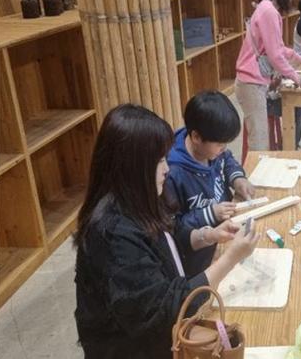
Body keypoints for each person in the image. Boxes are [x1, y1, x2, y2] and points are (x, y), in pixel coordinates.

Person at [74, 104, 260, 359]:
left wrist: (208, 235)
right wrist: (230, 258)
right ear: (133, 167)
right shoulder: (113, 234)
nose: (166, 168)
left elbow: (170, 236)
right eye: (159, 160)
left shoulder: (140, 196)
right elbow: (163, 311)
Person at [165, 91, 255, 275]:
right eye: (220, 144)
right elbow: (174, 229)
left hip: (227, 232)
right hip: (201, 257)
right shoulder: (172, 174)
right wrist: (209, 214)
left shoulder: (212, 150)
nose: (224, 149)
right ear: (196, 137)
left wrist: (237, 178)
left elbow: (227, 159)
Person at [235, 0, 301, 151]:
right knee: (259, 143)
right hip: (251, 83)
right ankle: (258, 171)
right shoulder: (269, 12)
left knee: (261, 138)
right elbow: (274, 55)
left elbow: (276, 47)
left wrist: (294, 55)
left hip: (253, 81)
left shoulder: (266, 7)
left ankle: (283, 151)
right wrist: (293, 75)